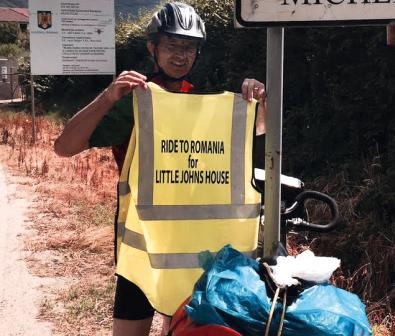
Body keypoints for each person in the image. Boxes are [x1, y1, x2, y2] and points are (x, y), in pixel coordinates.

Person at [53, 3, 266, 336]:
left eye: (189, 47)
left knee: (181, 328)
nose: (181, 55)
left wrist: (258, 102)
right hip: (141, 246)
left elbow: (254, 140)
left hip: (192, 247)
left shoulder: (203, 100)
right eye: (172, 45)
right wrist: (108, 97)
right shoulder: (134, 100)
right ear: (153, 47)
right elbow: (64, 147)